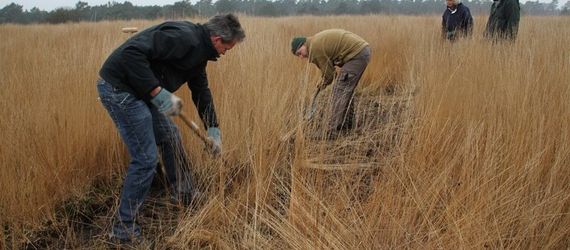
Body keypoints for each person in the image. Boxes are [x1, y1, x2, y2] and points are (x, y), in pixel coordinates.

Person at [96, 13, 245, 243]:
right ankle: (123, 231)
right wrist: (157, 91)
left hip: (140, 91)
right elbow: (131, 54)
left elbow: (201, 92)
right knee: (145, 158)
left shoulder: (200, 55)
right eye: (228, 47)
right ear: (217, 39)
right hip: (120, 90)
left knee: (170, 135)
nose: (226, 52)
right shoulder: (184, 38)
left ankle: (184, 193)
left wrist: (213, 130)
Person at [291, 29, 370, 138]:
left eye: (300, 53)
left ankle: (331, 131)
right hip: (361, 51)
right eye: (298, 55)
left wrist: (319, 88)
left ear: (304, 44)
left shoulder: (314, 49)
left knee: (339, 90)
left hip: (356, 55)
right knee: (345, 89)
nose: (301, 57)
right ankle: (347, 125)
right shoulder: (314, 42)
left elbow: (329, 75)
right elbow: (330, 72)